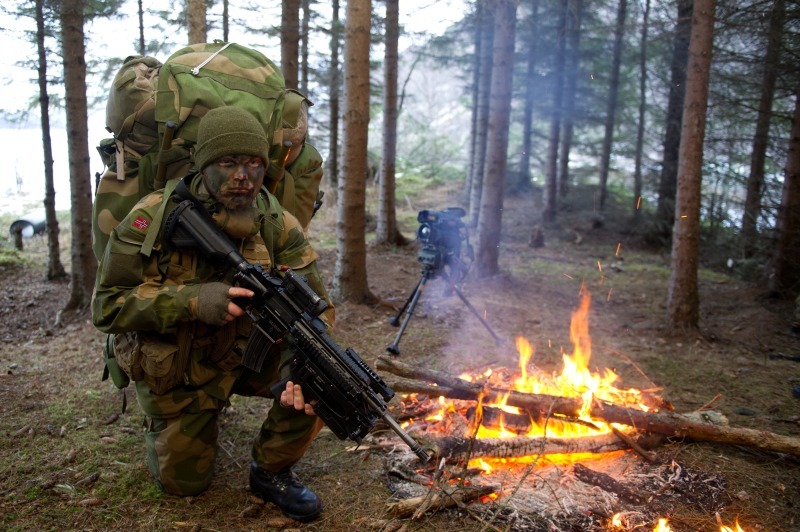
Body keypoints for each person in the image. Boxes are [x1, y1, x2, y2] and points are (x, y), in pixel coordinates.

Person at [92, 106, 333, 522]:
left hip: (241, 352)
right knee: (184, 485)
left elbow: (318, 307)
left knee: (325, 379)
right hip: (178, 362)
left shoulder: (277, 222)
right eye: (228, 162)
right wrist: (193, 301)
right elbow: (107, 305)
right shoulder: (152, 218)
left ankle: (270, 471)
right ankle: (186, 418)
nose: (243, 176)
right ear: (205, 163)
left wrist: (302, 367)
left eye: (254, 163)